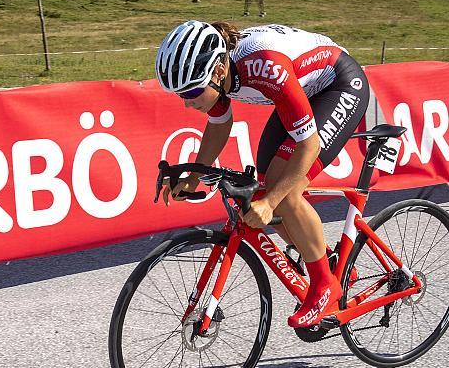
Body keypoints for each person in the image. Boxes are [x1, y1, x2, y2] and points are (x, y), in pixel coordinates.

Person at [155, 20, 370, 328]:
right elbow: (219, 125)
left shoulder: (264, 66)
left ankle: (325, 285)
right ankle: (331, 261)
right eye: (180, 94)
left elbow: (308, 146)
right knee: (263, 191)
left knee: (283, 193)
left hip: (339, 84)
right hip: (301, 90)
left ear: (217, 71)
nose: (188, 103)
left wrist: (271, 203)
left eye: (191, 91)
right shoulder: (219, 73)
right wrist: (193, 177)